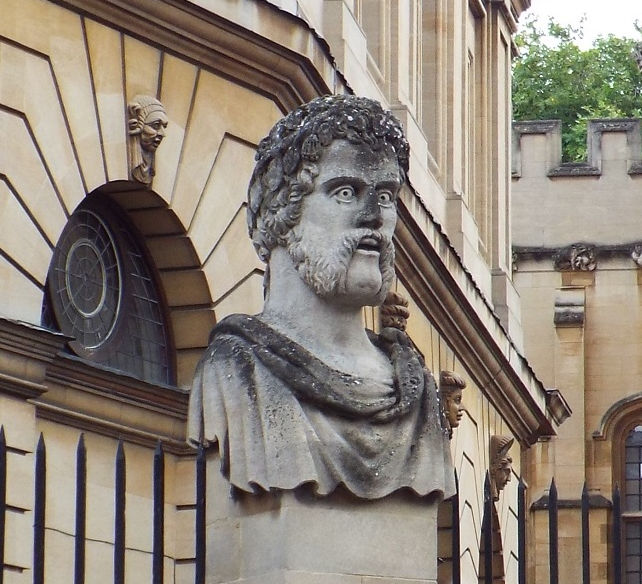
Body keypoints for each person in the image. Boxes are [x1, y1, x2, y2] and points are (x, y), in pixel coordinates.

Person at [188, 94, 452, 500]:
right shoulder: (237, 372)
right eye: (345, 192)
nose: (374, 216)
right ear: (279, 211)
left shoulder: (418, 393)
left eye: (385, 197)